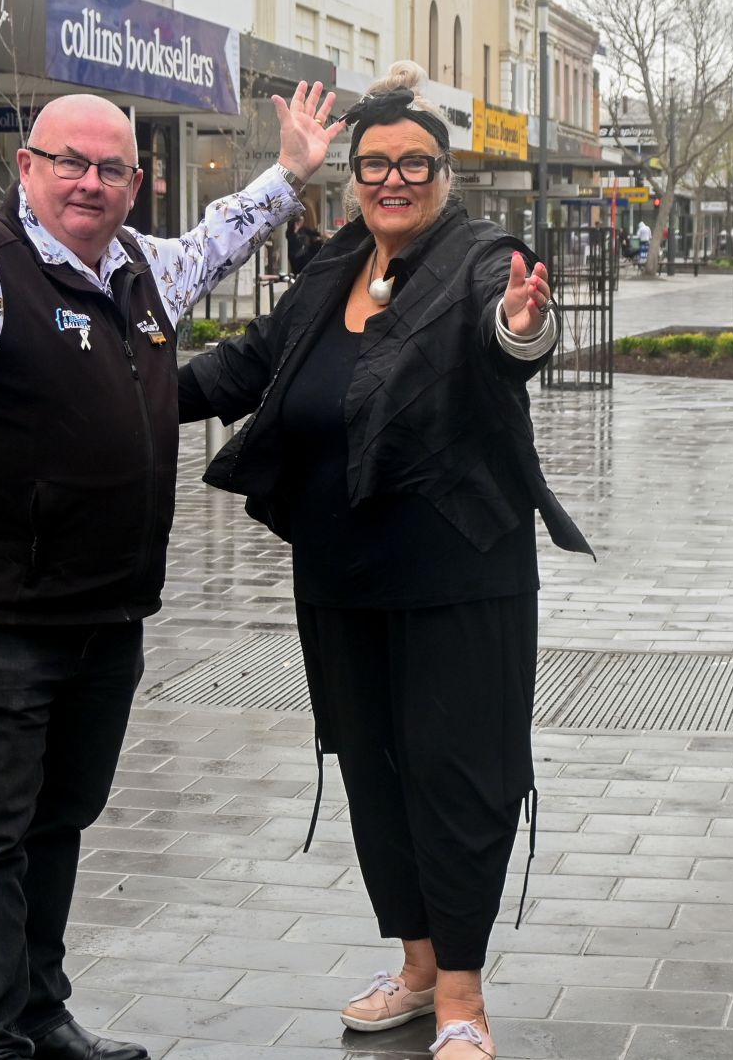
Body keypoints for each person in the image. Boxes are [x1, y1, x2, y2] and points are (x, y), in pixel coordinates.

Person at [0, 26, 341, 1060]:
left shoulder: (139, 271)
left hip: (107, 611)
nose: (90, 181)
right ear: (27, 167)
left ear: (134, 183)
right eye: (68, 161)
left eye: (111, 167)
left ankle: (37, 1010)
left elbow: (217, 235)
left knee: (59, 817)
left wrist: (287, 174)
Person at [179, 63, 591, 1060]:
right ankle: (414, 967)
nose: (392, 179)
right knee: (372, 772)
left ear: (444, 170)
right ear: (353, 175)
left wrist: (523, 328)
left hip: (458, 575)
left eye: (413, 162)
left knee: (458, 776)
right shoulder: (331, 267)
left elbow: (511, 334)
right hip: (339, 575)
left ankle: (462, 997)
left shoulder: (484, 258)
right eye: (375, 164)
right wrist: (120, 391)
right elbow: (249, 364)